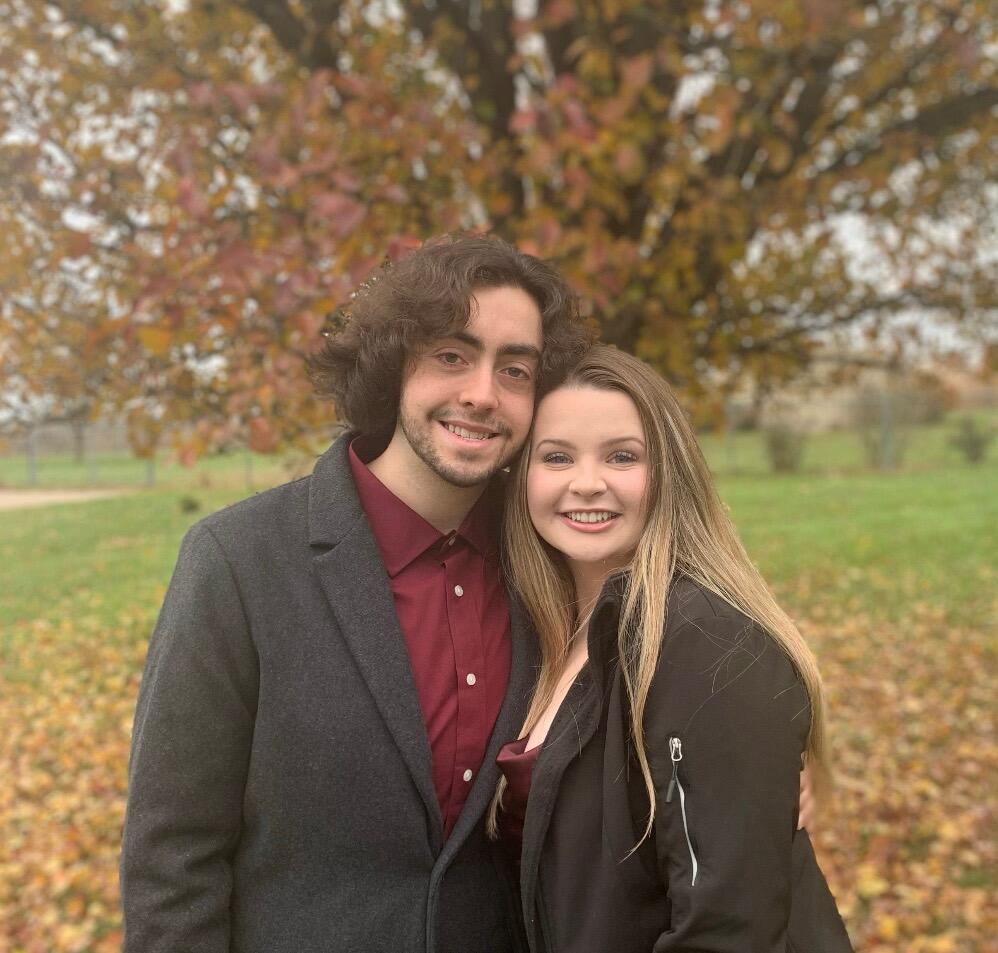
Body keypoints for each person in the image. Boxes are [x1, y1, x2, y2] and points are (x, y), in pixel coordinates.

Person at [119, 233, 592, 953]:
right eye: (451, 355)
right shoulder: (238, 561)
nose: (481, 393)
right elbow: (170, 859)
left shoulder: (553, 561)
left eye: (516, 369)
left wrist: (768, 760)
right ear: (394, 362)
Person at [492, 345, 853, 952]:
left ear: (669, 473)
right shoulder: (550, 631)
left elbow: (728, 931)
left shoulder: (706, 643)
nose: (587, 483)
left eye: (622, 457)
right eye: (556, 457)